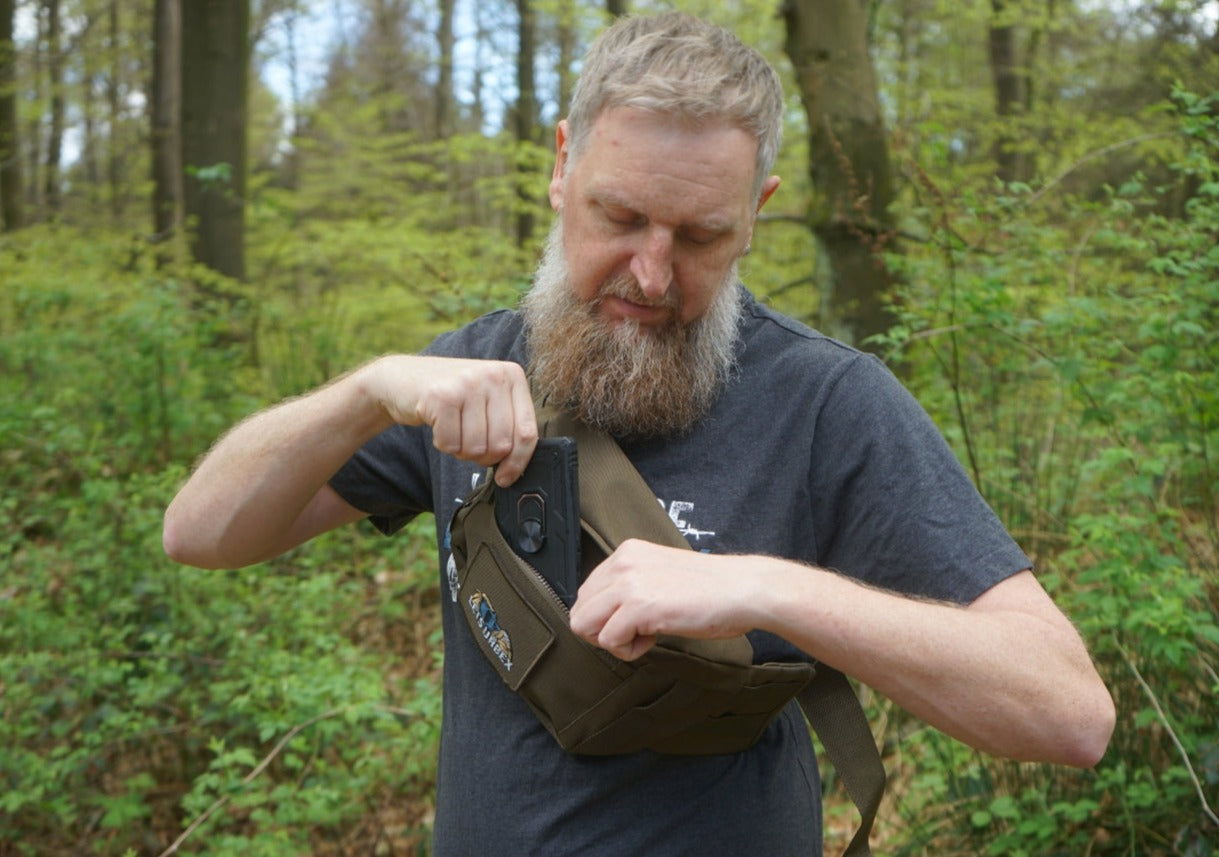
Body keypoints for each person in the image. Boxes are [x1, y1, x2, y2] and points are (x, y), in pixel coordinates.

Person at [163, 12, 1114, 856]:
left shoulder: (827, 403)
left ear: (757, 213)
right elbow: (201, 534)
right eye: (619, 217)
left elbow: (1069, 714)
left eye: (699, 236)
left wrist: (760, 584)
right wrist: (367, 392)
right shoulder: (466, 375)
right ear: (561, 165)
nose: (651, 274)